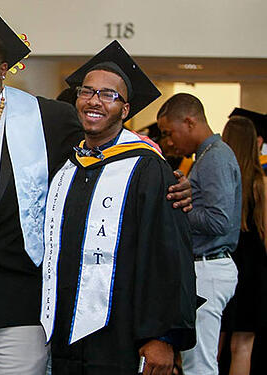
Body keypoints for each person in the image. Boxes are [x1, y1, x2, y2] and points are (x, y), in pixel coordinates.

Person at [0, 3, 192, 374]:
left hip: (21, 300)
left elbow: (106, 139)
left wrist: (167, 176)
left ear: (4, 69)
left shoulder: (45, 116)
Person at [41, 40, 197, 375]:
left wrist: (161, 336)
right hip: (64, 332)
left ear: (125, 110)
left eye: (108, 94)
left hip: (123, 334)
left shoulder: (148, 169)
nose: (95, 101)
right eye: (87, 91)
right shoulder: (66, 167)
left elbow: (168, 256)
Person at [158, 93, 242, 375]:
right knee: (197, 360)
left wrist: (176, 211)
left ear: (190, 121)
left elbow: (220, 221)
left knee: (200, 364)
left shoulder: (216, 156)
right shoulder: (207, 156)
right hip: (205, 265)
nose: (169, 142)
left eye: (170, 132)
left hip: (209, 266)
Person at [220, 115, 267, 375]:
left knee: (211, 340)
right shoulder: (260, 182)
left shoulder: (215, 175)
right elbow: (265, 230)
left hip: (222, 258)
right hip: (253, 266)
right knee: (243, 345)